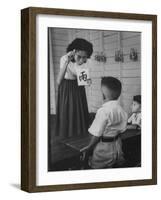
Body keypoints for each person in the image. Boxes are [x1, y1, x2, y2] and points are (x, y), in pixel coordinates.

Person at [81, 77, 128, 169]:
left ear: (103, 95)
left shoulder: (103, 111)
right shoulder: (122, 110)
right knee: (115, 164)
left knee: (98, 167)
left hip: (104, 148)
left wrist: (89, 147)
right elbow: (122, 130)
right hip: (117, 145)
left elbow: (96, 135)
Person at [55, 38, 93, 138]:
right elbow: (59, 81)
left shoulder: (85, 62)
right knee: (68, 109)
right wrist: (67, 62)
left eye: (84, 57)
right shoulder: (64, 58)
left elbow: (84, 82)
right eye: (79, 57)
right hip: (66, 86)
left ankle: (79, 133)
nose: (81, 60)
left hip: (77, 87)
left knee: (78, 108)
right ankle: (67, 134)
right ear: (74, 51)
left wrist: (88, 80)